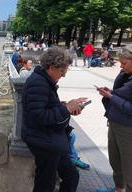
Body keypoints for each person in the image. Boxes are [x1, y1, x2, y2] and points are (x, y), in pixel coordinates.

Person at [22, 47, 87, 192]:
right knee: (45, 183)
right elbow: (40, 117)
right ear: (51, 68)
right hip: (44, 142)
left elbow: (46, 107)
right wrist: (66, 108)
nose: (63, 76)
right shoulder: (38, 83)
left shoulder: (43, 80)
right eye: (62, 72)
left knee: (71, 175)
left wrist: (66, 106)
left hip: (51, 140)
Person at [96, 44, 132, 192]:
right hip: (116, 123)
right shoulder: (126, 73)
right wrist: (111, 92)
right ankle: (118, 189)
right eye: (120, 62)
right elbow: (122, 94)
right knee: (116, 162)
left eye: (124, 63)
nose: (121, 66)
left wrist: (111, 96)